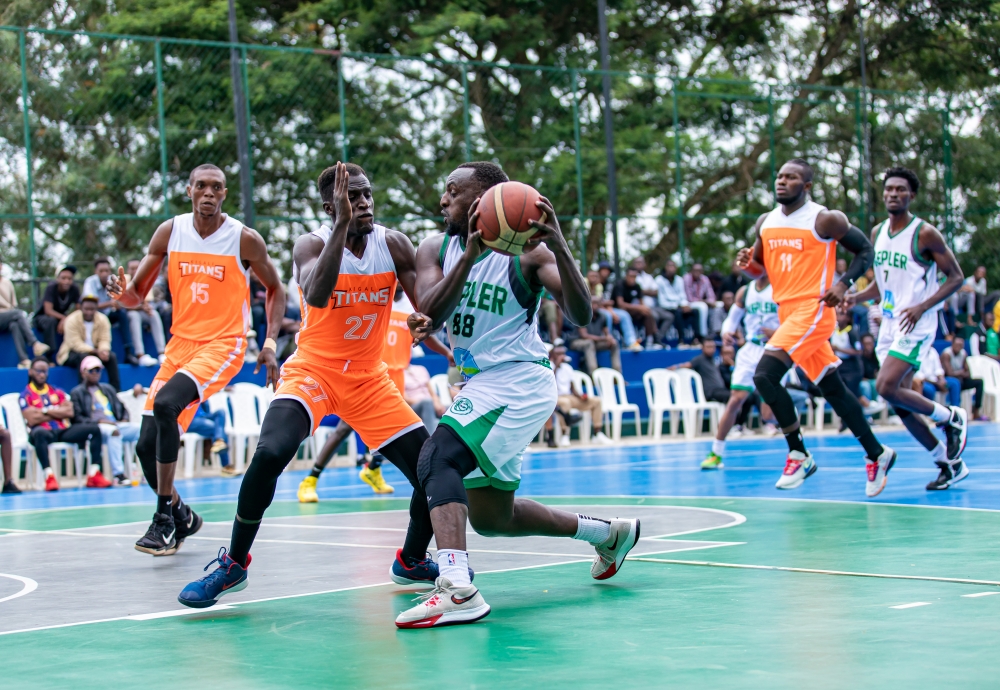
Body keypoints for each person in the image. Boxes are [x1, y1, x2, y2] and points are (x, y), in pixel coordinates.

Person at [179, 161, 449, 608]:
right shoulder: (312, 244)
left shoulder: (394, 244)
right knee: (269, 454)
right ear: (330, 206)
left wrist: (431, 325)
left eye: (366, 195)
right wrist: (342, 225)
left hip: (369, 380)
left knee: (433, 469)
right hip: (313, 372)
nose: (363, 203)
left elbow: (425, 305)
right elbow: (317, 294)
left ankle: (413, 559)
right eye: (352, 197)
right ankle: (234, 564)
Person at [396, 161, 639, 628]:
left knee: (436, 459)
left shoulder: (531, 255)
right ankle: (608, 534)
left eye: (452, 191)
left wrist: (561, 246)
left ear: (487, 199)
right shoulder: (437, 247)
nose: (442, 200)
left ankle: (456, 588)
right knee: (492, 518)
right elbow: (428, 309)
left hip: (519, 379)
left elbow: (581, 313)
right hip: (482, 382)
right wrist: (467, 256)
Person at [107, 163, 285, 557]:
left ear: (225, 194)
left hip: (223, 345)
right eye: (201, 186)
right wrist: (123, 295)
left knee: (168, 404)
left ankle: (163, 521)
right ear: (189, 191)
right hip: (180, 346)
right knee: (144, 446)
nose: (208, 193)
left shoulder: (243, 239)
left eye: (216, 187)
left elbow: (275, 289)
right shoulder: (170, 232)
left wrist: (270, 342)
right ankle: (182, 514)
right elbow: (138, 297)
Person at [737, 158, 896, 496]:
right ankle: (877, 453)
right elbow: (760, 270)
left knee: (765, 375)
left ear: (806, 186)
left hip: (814, 309)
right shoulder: (765, 222)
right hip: (787, 311)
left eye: (791, 177)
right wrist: (747, 265)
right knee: (833, 388)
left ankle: (798, 452)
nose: (782, 181)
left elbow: (865, 251)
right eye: (780, 176)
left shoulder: (825, 219)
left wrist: (843, 285)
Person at [845, 167, 968, 490]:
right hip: (889, 323)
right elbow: (881, 286)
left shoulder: (924, 233)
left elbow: (956, 277)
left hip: (917, 323)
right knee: (900, 403)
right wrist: (853, 297)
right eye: (888, 189)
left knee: (886, 387)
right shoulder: (877, 233)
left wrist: (922, 306)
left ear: (911, 195)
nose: (893, 194)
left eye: (900, 189)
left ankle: (950, 417)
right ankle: (947, 462)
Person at [296, 282, 453, 502]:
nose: (398, 283)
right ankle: (310, 480)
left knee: (393, 434)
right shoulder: (377, 299)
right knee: (343, 429)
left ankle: (373, 469)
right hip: (369, 375)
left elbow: (429, 336)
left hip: (396, 377)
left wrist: (447, 353)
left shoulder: (411, 306)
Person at [701, 275, 780, 469]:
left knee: (768, 414)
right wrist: (727, 331)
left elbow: (795, 321)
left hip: (775, 349)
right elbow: (732, 318)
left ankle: (796, 441)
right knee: (735, 400)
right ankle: (716, 452)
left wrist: (777, 333)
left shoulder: (782, 287)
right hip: (750, 349)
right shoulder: (746, 291)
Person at [20, 358, 106, 491]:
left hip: (62, 431)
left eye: (44, 371)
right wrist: (56, 410)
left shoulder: (56, 391)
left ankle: (94, 473)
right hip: (43, 433)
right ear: (31, 372)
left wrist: (43, 411)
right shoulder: (25, 395)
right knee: (38, 433)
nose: (42, 374)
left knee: (94, 429)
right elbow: (31, 418)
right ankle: (48, 476)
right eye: (38, 371)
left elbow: (69, 411)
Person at [70, 355, 137, 485]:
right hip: (96, 428)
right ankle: (118, 474)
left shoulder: (108, 389)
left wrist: (124, 419)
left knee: (143, 430)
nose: (95, 373)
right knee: (114, 432)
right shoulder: (77, 392)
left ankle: (148, 472)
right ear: (83, 372)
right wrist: (99, 422)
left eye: (98, 370)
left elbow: (122, 408)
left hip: (115, 424)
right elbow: (77, 418)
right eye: (91, 371)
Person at [56, 295, 121, 391]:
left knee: (112, 357)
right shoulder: (71, 319)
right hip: (72, 353)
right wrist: (95, 351)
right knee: (84, 357)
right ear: (81, 308)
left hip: (96, 352)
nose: (89, 312)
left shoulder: (103, 319)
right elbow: (75, 344)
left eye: (92, 309)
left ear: (96, 308)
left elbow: (105, 339)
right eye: (86, 309)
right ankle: (84, 392)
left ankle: (115, 392)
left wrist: (104, 351)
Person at [551, 346, 612, 445]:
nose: (562, 356)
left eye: (563, 353)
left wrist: (581, 396)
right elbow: (549, 382)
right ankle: (565, 435)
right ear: (553, 355)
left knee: (596, 401)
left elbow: (572, 388)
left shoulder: (568, 368)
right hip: (556, 398)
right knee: (565, 403)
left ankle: (597, 433)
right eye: (559, 354)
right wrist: (556, 366)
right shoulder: (549, 366)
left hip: (570, 397)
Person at [82, 257, 135, 364]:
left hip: (108, 315)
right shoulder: (90, 282)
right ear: (95, 271)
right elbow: (89, 307)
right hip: (94, 316)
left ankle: (128, 352)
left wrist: (119, 303)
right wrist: (110, 303)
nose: (104, 273)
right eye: (101, 271)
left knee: (122, 314)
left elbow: (120, 300)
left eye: (107, 270)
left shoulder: (113, 280)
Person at [0, 258, 49, 367]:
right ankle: (35, 343)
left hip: (8, 316)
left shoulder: (7, 283)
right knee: (18, 314)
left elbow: (13, 304)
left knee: (15, 325)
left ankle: (24, 360)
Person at [123, 258, 167, 367]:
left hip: (139, 310)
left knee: (154, 314)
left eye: (136, 268)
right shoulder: (124, 280)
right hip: (127, 313)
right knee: (134, 316)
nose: (134, 271)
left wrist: (146, 308)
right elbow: (123, 305)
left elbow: (147, 303)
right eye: (132, 269)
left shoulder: (146, 279)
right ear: (128, 270)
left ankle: (162, 353)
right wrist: (141, 307)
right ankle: (140, 355)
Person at [614, 267, 668, 349]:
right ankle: (630, 342)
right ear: (626, 276)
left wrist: (644, 309)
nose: (632, 279)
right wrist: (639, 308)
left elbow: (642, 303)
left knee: (647, 313)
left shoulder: (637, 286)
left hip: (631, 309)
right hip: (617, 310)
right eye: (631, 276)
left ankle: (651, 340)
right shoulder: (620, 285)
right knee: (626, 314)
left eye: (634, 277)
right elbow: (620, 304)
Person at [588, 269, 641, 351]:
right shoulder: (583, 283)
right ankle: (608, 341)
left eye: (595, 276)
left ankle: (631, 342)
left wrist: (611, 311)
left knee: (624, 315)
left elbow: (601, 303)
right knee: (607, 316)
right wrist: (608, 309)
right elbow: (593, 303)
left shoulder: (599, 286)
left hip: (603, 308)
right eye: (591, 276)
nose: (594, 278)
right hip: (589, 310)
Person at [32, 266, 80, 356]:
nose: (66, 281)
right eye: (63, 278)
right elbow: (48, 311)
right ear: (58, 279)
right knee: (51, 321)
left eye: (69, 279)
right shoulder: (51, 287)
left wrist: (67, 319)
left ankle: (74, 353)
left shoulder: (74, 289)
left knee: (76, 321)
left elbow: (79, 309)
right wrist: (64, 318)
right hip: (42, 318)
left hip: (61, 318)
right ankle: (49, 355)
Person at [941, 337, 988, 421]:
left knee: (979, 382)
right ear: (952, 344)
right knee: (956, 382)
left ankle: (976, 412)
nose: (959, 347)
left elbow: (968, 372)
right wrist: (961, 373)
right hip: (948, 381)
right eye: (957, 345)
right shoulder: (946, 354)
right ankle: (956, 412)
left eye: (961, 345)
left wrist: (960, 373)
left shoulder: (963, 353)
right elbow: (949, 373)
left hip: (960, 379)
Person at [672, 339, 730, 404]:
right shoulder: (699, 359)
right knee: (733, 397)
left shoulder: (714, 360)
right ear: (703, 348)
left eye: (712, 347)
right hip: (711, 392)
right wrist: (674, 368)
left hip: (721, 390)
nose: (711, 349)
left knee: (739, 395)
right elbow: (687, 365)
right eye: (708, 347)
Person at [656, 259, 698, 344]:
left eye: (673, 266)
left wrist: (685, 305)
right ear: (665, 267)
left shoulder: (679, 280)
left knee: (695, 311)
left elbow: (682, 296)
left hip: (680, 305)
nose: (672, 268)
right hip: (666, 307)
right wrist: (677, 306)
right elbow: (661, 301)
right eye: (669, 266)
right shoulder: (659, 280)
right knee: (678, 313)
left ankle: (696, 338)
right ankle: (681, 340)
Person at [570, 308, 622, 374]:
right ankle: (593, 375)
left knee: (614, 344)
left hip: (595, 342)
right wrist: (603, 338)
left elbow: (607, 333)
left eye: (597, 304)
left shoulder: (603, 316)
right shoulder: (582, 316)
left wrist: (610, 339)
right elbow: (584, 335)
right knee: (589, 343)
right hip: (577, 341)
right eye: (593, 304)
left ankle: (618, 375)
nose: (595, 306)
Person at [187, 403, 232, 476]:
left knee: (221, 412)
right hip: (189, 420)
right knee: (218, 429)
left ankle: (219, 441)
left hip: (202, 416)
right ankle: (226, 466)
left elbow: (206, 405)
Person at [683, 263, 715, 341]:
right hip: (687, 303)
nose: (697, 272)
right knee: (703, 306)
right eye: (695, 270)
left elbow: (711, 296)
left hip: (701, 302)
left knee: (718, 306)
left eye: (699, 270)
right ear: (691, 271)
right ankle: (703, 334)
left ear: (702, 271)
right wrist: (705, 301)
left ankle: (714, 333)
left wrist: (710, 302)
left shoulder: (705, 279)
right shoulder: (687, 278)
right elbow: (689, 298)